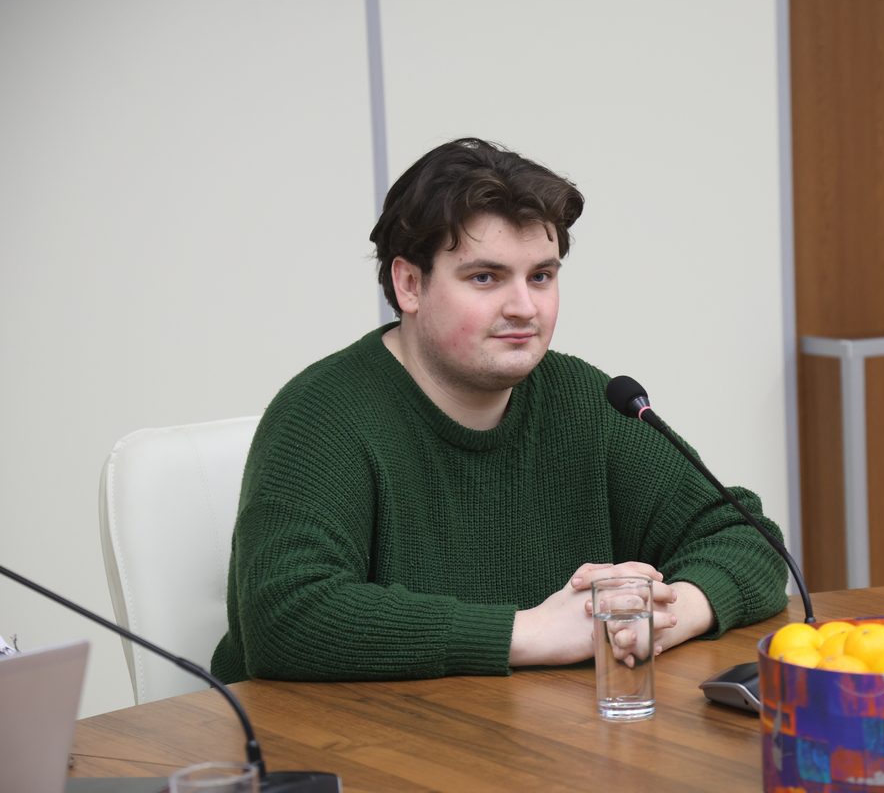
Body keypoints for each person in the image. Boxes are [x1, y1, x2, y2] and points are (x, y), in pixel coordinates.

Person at [210, 138, 788, 683]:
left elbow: (750, 538)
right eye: (485, 277)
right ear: (409, 284)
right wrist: (532, 632)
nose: (524, 308)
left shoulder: (589, 401)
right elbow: (284, 617)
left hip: (531, 731)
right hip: (343, 742)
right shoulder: (323, 414)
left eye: (541, 277)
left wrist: (665, 615)